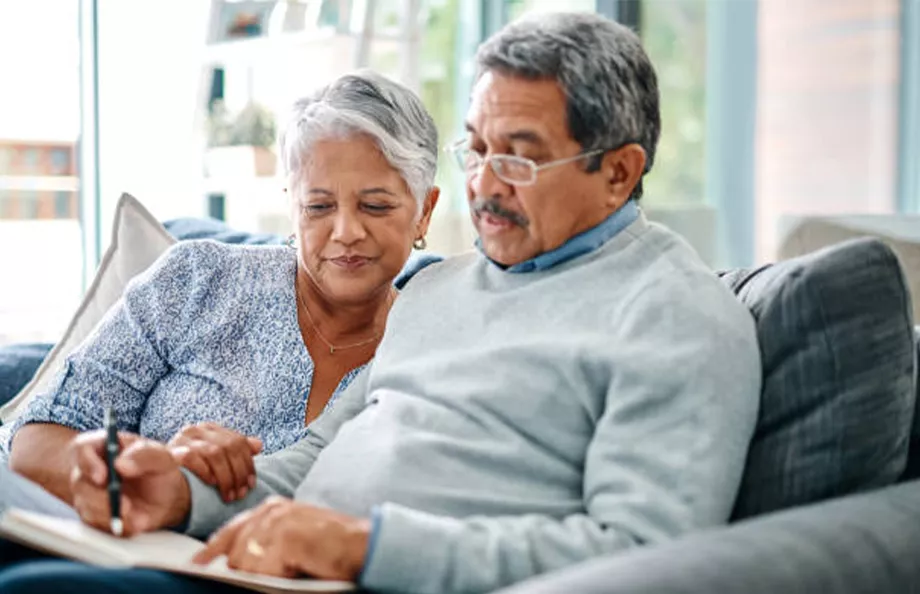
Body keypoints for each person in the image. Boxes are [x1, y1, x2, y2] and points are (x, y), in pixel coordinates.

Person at [0, 12, 762, 594]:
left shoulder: (677, 319)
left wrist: (362, 546)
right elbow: (306, 463)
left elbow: (642, 557)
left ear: (620, 172)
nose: (485, 186)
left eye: (520, 156)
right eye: (477, 147)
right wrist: (181, 491)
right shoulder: (437, 288)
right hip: (258, 568)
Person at [0, 70, 440, 508]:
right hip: (117, 549)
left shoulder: (436, 352)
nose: (345, 231)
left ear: (424, 212)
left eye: (376, 206)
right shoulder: (196, 279)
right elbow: (38, 437)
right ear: (291, 205)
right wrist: (151, 475)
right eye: (319, 206)